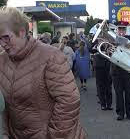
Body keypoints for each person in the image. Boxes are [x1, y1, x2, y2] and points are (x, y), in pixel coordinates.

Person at [0, 7, 86, 138]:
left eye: (6, 37)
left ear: (22, 32)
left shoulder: (51, 56)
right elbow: (5, 106)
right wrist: (5, 133)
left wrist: (54, 135)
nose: (3, 44)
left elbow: (69, 101)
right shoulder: (2, 60)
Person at [110, 21, 130, 121]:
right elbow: (106, 50)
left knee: (129, 93)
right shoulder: (112, 38)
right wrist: (112, 44)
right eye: (120, 29)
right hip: (116, 69)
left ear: (125, 30)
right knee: (118, 93)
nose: (121, 31)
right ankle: (120, 113)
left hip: (128, 69)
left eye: (123, 29)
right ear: (117, 29)